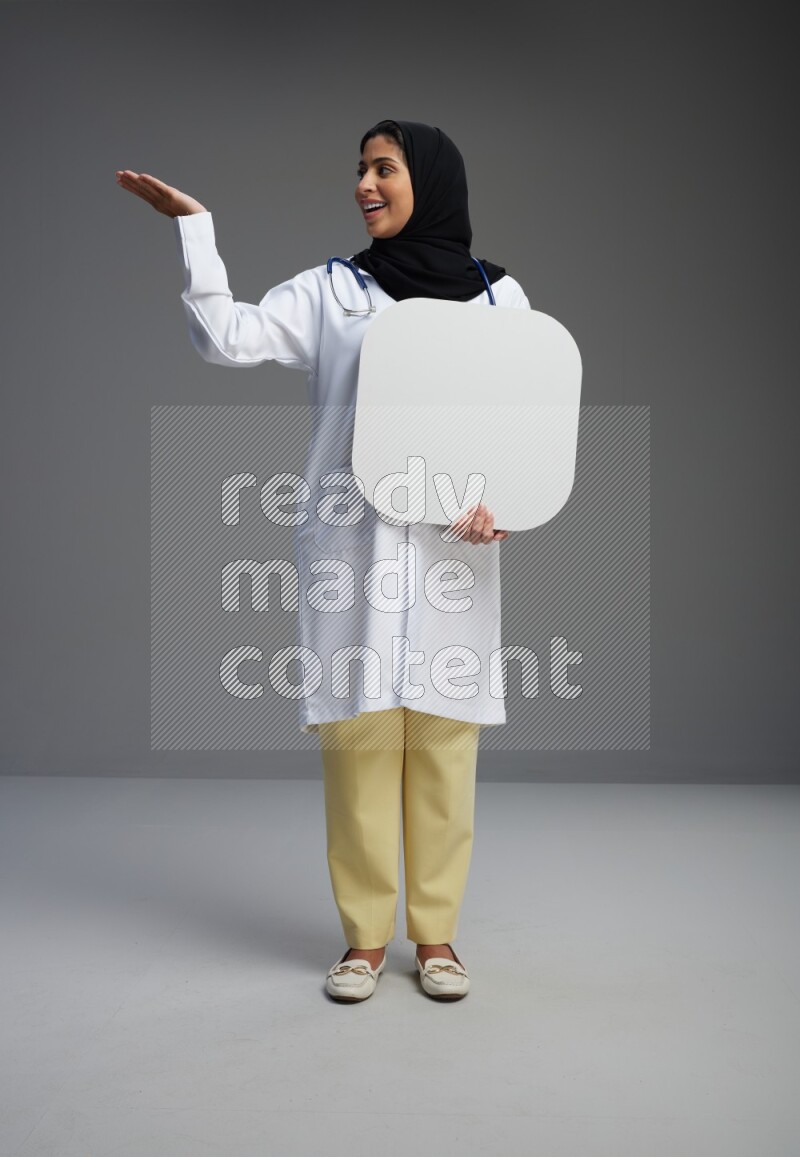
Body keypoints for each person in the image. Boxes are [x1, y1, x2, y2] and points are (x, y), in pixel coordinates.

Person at [115, 119, 531, 1003]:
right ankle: (364, 941)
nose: (364, 185)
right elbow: (228, 336)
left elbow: (520, 426)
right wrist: (198, 230)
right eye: (360, 170)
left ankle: (439, 937)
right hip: (358, 550)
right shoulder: (335, 292)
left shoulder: (501, 301)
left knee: (445, 750)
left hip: (455, 554)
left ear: (434, 182)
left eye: (384, 168)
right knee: (362, 742)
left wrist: (508, 502)